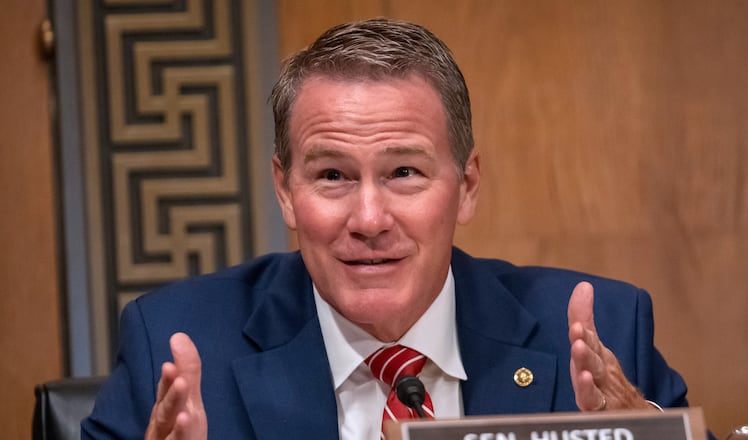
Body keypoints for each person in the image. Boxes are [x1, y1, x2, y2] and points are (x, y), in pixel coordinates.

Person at [83, 18, 698, 439]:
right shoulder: (175, 346)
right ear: (285, 191)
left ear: (467, 186)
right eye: (332, 175)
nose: (370, 220)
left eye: (404, 172)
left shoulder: (602, 336)